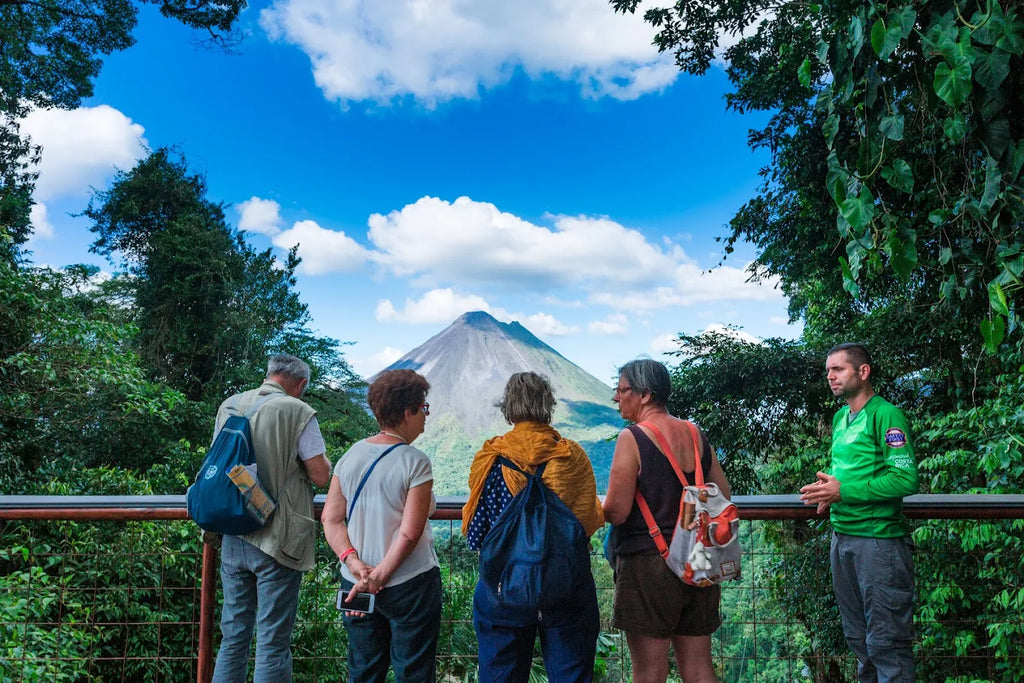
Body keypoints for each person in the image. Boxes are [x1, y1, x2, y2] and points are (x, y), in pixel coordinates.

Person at [462, 371, 604, 683]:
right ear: (547, 406)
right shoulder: (572, 456)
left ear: (508, 408)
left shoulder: (491, 459)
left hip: (503, 589)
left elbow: (477, 535)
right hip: (566, 588)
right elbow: (588, 522)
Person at [602, 359, 729, 683]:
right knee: (700, 668)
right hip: (698, 560)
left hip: (649, 564)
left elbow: (616, 511)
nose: (617, 397)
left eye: (622, 389)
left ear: (644, 394)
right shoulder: (694, 432)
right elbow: (722, 494)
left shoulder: (633, 438)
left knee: (649, 673)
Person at [800, 343, 919, 683]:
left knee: (887, 645)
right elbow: (849, 472)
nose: (830, 377)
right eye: (828, 371)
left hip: (878, 543)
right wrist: (830, 495)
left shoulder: (886, 415)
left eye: (838, 369)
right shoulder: (841, 418)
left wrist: (844, 492)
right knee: (858, 642)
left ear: (863, 372)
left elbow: (905, 478)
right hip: (843, 538)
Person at [212, 354, 332, 683]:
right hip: (277, 537)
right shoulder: (297, 410)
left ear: (269, 375)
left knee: (233, 637)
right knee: (272, 642)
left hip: (234, 531)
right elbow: (321, 475)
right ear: (301, 384)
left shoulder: (231, 405)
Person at [322, 369, 441, 683]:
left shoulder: (351, 456)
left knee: (363, 671)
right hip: (410, 585)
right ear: (407, 413)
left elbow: (331, 519)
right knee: (413, 671)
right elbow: (410, 531)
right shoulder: (415, 462)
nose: (425, 417)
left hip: (355, 584)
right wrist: (381, 577)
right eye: (423, 409)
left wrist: (357, 567)